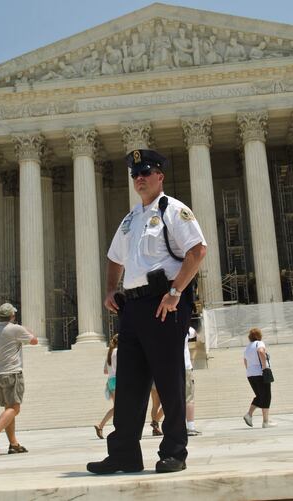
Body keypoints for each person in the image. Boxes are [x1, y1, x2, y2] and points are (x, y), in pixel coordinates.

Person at [87, 148, 207, 475]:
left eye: (145, 172)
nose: (139, 178)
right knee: (129, 384)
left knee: (169, 380)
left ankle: (174, 452)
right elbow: (114, 257)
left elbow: (197, 251)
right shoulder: (130, 220)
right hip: (134, 307)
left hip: (164, 303)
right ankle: (124, 453)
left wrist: (175, 292)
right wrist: (110, 289)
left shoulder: (173, 210)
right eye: (135, 174)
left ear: (159, 176)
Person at [0, 302, 38, 456]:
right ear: (12, 315)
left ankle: (13, 444)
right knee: (15, 408)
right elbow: (34, 341)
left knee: (8, 409)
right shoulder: (15, 329)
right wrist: (27, 330)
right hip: (12, 373)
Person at [243, 327, 276, 428]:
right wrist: (264, 367)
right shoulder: (259, 343)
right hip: (260, 373)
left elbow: (245, 360)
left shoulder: (247, 347)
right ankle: (266, 422)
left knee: (260, 396)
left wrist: (250, 370)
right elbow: (261, 352)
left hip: (250, 374)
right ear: (259, 335)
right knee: (266, 396)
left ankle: (249, 415)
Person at [95, 334, 119, 439]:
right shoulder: (118, 352)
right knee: (120, 406)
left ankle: (101, 426)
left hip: (110, 381)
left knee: (117, 407)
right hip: (117, 380)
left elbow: (105, 371)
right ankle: (100, 425)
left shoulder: (110, 353)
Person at [184, 326, 201, 436]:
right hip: (185, 367)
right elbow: (195, 333)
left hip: (169, 369)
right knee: (189, 398)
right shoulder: (185, 328)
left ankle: (177, 427)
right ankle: (190, 427)